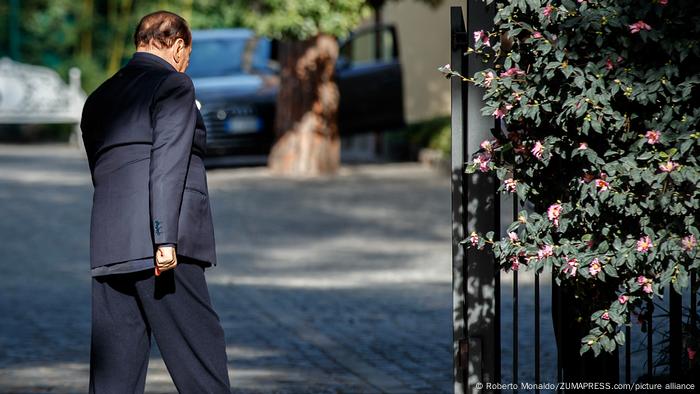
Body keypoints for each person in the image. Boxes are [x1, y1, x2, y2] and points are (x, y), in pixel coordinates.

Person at [80, 10, 230, 393]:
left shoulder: (98, 98)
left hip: (110, 248)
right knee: (201, 362)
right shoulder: (174, 86)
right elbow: (168, 163)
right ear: (179, 47)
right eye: (188, 56)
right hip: (163, 252)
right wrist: (164, 239)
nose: (186, 64)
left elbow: (102, 168)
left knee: (115, 377)